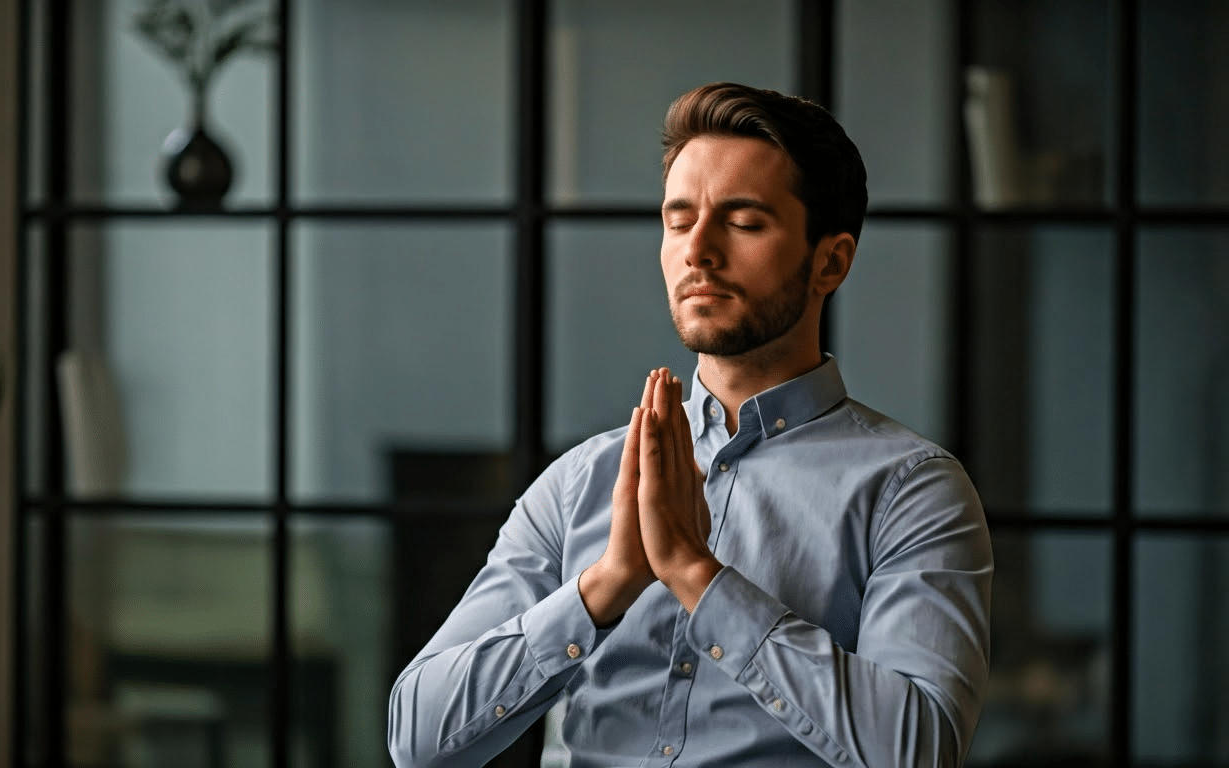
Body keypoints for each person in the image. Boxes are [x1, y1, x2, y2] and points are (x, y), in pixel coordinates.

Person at [388, 82, 993, 767]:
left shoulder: (913, 491)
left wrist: (696, 575)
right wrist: (606, 584)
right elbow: (417, 741)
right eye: (679, 221)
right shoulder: (580, 482)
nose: (698, 250)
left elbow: (920, 751)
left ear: (831, 261)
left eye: (745, 222)